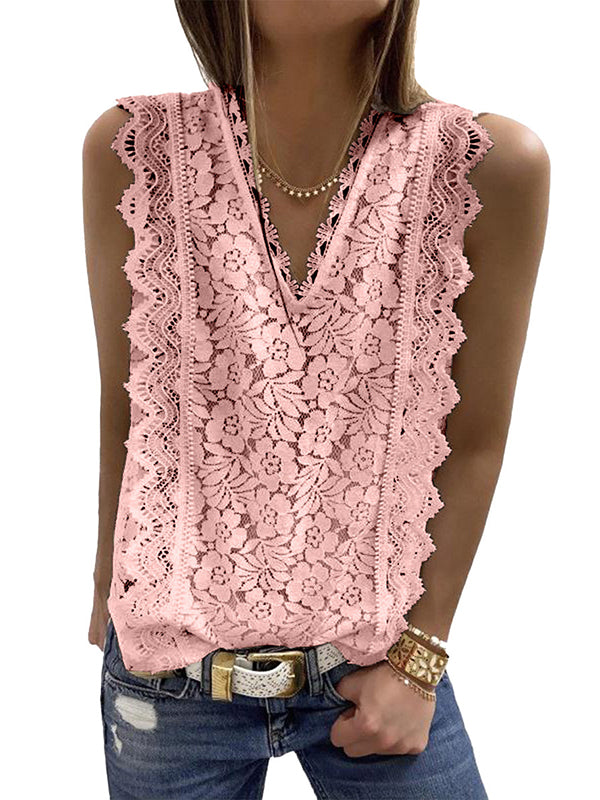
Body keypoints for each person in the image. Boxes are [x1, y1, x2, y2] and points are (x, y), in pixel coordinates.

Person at [83, 1, 550, 797]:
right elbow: (134, 407)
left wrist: (420, 659)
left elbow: (475, 439)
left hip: (377, 665)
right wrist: (108, 595)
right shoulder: (135, 149)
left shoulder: (485, 166)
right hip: (169, 684)